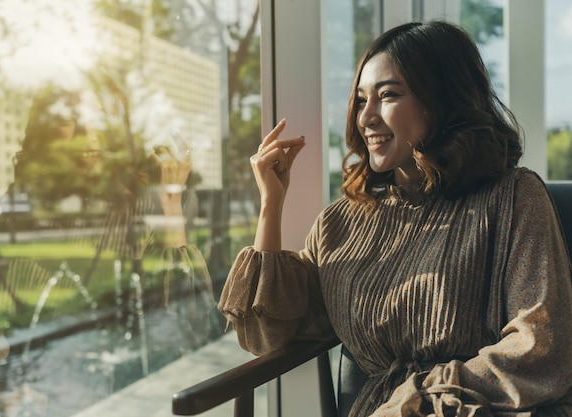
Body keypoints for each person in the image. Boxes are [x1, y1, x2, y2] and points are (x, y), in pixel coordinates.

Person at [218, 20, 572, 416]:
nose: (366, 117)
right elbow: (269, 334)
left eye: (387, 95)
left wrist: (419, 400)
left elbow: (540, 344)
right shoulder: (341, 224)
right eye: (360, 99)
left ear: (442, 99)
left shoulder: (514, 197)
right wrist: (271, 205)